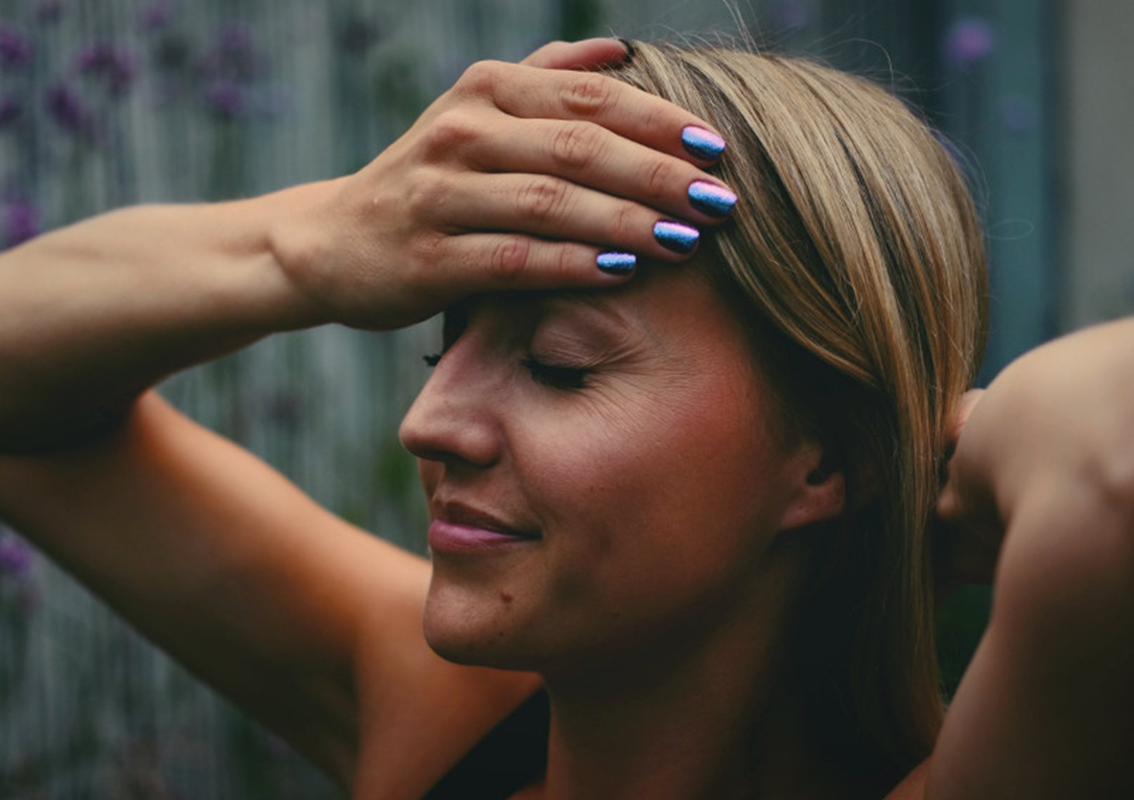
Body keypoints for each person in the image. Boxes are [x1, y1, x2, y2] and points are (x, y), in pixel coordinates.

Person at [0, 36, 1132, 800]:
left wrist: (921, 447)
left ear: (823, 454)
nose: (427, 421)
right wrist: (312, 241)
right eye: (445, 343)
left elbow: (1113, 462)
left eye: (557, 367)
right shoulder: (445, 725)